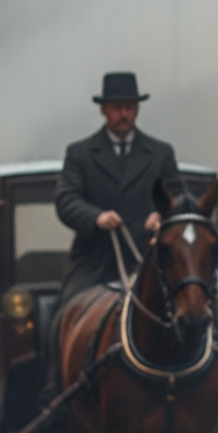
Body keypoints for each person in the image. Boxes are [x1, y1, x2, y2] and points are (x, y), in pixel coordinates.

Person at [53, 72, 182, 308]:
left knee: (193, 310)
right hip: (95, 262)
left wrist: (163, 216)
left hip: (150, 258)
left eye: (130, 107)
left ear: (137, 109)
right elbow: (66, 199)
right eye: (116, 107)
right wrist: (96, 217)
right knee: (64, 313)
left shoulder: (160, 153)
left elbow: (178, 198)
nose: (124, 114)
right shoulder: (80, 154)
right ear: (103, 110)